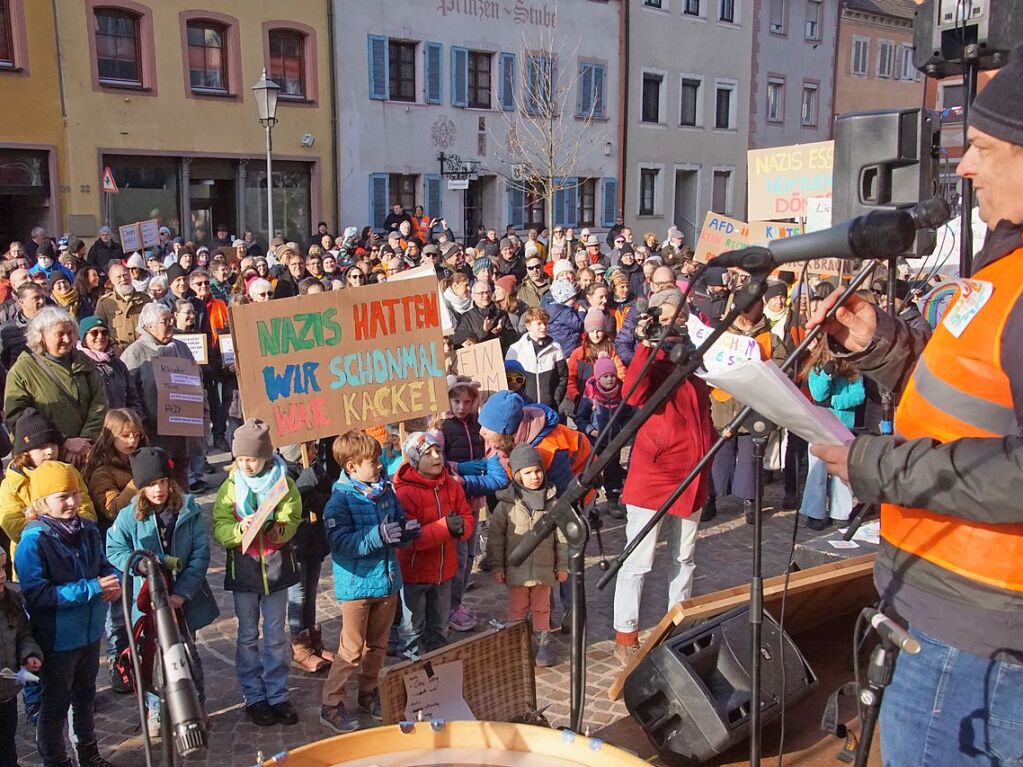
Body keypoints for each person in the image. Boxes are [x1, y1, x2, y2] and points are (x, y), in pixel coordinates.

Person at [808, 50, 1023, 766]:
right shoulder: (1004, 264)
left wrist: (873, 463)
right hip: (943, 617)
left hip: (976, 646)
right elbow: (971, 407)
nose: (964, 169)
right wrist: (885, 348)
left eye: (985, 151)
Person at [612, 290, 713, 665]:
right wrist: (646, 346)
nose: (676, 323)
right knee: (638, 559)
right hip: (655, 473)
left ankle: (678, 623)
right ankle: (626, 632)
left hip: (693, 471)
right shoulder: (653, 356)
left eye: (681, 315)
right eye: (668, 316)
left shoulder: (697, 352)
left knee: (684, 558)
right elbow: (634, 393)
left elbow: (704, 404)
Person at [106, 446, 218, 734]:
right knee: (150, 656)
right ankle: (156, 710)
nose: (157, 490)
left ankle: (196, 706)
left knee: (185, 653)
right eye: (150, 485)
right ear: (141, 488)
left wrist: (182, 593)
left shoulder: (188, 510)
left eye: (162, 482)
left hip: (180, 600)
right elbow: (115, 549)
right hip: (147, 602)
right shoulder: (129, 517)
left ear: (170, 482)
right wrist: (138, 566)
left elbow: (199, 555)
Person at [16, 461, 120, 767]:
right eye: (63, 496)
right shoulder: (33, 542)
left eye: (75, 493)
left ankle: (88, 754)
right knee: (55, 705)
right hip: (58, 639)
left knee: (85, 697)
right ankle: (56, 761)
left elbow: (102, 566)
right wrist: (90, 589)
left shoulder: (87, 529)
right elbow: (37, 594)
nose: (73, 502)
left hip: (89, 633)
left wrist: (112, 582)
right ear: (43, 502)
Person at [319, 430, 414, 733]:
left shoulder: (385, 491)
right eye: (372, 461)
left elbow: (397, 521)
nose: (379, 465)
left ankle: (368, 691)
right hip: (358, 586)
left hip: (386, 582)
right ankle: (331, 704)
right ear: (352, 467)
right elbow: (341, 543)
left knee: (378, 644)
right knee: (352, 648)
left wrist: (406, 530)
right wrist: (378, 536)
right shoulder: (340, 500)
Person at [213, 419, 302, 727]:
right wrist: (239, 530)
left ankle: (277, 693)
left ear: (265, 455)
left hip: (276, 568)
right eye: (240, 459)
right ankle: (254, 695)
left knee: (276, 635)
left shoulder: (282, 483)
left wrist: (278, 527)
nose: (246, 465)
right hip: (245, 571)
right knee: (247, 635)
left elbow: (292, 515)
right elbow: (221, 526)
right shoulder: (230, 486)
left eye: (251, 458)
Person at [393, 433, 474, 659]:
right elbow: (411, 539)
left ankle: (438, 673)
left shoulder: (451, 485)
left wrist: (462, 529)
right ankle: (408, 672)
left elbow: (467, 516)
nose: (437, 457)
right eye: (428, 453)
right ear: (415, 461)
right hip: (415, 576)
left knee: (439, 628)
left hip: (444, 573)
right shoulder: (404, 493)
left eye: (438, 451)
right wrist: (445, 527)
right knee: (412, 629)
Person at [487, 444, 567, 667]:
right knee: (517, 609)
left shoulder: (552, 502)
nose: (535, 476)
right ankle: (518, 645)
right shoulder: (506, 505)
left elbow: (561, 537)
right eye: (529, 472)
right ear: (517, 474)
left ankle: (543, 645)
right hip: (517, 571)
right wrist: (497, 567)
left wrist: (562, 565)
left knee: (542, 608)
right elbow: (496, 538)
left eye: (538, 471)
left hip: (544, 568)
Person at [4, 307, 107, 467]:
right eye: (60, 334)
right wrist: (63, 441)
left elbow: (99, 403)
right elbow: (18, 419)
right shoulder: (22, 371)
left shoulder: (82, 361)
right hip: (48, 460)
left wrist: (86, 441)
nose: (67, 339)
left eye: (70, 333)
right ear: (42, 337)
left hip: (88, 454)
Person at [121, 303, 206, 489]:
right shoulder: (134, 353)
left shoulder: (181, 347)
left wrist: (202, 410)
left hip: (183, 427)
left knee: (182, 474)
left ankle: (184, 511)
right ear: (149, 326)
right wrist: (142, 423)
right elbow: (129, 394)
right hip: (154, 431)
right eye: (164, 321)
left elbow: (197, 379)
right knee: (161, 476)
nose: (170, 324)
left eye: (171, 320)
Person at [431, 376, 485, 632]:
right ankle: (451, 607)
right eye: (456, 401)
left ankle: (458, 602)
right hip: (454, 500)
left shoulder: (478, 425)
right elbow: (435, 461)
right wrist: (457, 467)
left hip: (474, 497)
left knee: (471, 554)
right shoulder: (443, 429)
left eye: (467, 401)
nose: (461, 406)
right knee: (460, 556)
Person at [798, 339, 864, 530]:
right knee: (817, 469)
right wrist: (826, 374)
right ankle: (814, 512)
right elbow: (818, 395)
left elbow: (858, 395)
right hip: (819, 426)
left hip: (842, 426)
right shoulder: (816, 369)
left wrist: (835, 401)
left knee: (840, 469)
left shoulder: (852, 371)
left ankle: (841, 512)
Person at [0, 545, 42, 767]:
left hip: (6, 694)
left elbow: (23, 634)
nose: (1, 575)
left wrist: (28, 655)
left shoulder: (11, 599)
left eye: (3, 567)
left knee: (7, 745)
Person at [574, 356, 631, 517]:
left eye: (612, 376)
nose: (610, 379)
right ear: (598, 378)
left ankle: (613, 502)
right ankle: (590, 503)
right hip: (595, 442)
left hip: (614, 441)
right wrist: (591, 430)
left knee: (613, 471)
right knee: (592, 472)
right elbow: (580, 418)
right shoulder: (590, 396)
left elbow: (628, 415)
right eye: (605, 376)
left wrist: (624, 430)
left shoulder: (621, 394)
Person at [505, 307, 567, 410]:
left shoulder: (556, 347)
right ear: (528, 326)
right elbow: (510, 381)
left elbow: (563, 377)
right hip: (525, 408)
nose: (543, 327)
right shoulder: (515, 349)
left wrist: (555, 399)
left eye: (545, 323)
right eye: (539, 324)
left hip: (549, 407)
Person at [76, 316, 141, 412]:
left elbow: (133, 398)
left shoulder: (118, 365)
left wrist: (133, 418)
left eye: (104, 332)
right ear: (84, 338)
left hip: (120, 423)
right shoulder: (78, 363)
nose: (100, 336)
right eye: (94, 333)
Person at [94, 263, 151, 353]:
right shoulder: (105, 303)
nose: (123, 279)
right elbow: (99, 328)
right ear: (112, 280)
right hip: (119, 354)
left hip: (145, 350)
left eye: (125, 275)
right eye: (119, 277)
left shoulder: (145, 300)